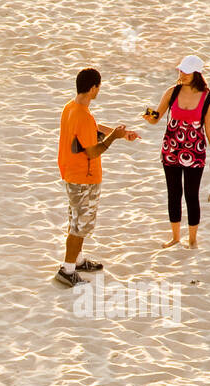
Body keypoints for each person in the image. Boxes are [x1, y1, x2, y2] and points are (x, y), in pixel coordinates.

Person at [56, 67, 141, 287]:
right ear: (93, 88)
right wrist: (113, 137)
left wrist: (119, 133)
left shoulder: (71, 107)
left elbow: (91, 128)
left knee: (76, 220)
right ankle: (67, 270)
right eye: (98, 87)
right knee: (79, 226)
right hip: (84, 178)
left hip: (71, 174)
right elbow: (93, 151)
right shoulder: (83, 115)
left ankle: (78, 260)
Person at [143, 54, 210, 248]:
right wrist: (147, 114)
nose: (182, 74)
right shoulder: (172, 92)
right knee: (174, 193)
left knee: (191, 195)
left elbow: (209, 128)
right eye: (181, 70)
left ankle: (192, 240)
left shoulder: (207, 97)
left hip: (195, 152)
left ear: (196, 73)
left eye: (187, 71)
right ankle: (176, 237)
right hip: (171, 150)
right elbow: (156, 117)